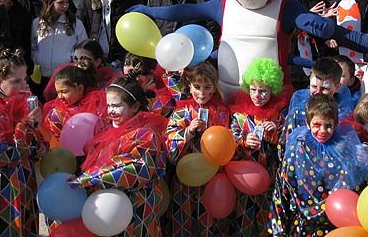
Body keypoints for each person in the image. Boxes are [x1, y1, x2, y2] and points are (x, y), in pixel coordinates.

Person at [68, 76, 168, 237]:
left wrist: (90, 178)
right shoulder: (106, 131)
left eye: (116, 106)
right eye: (108, 105)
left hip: (138, 206)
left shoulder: (146, 134)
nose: (110, 111)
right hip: (110, 209)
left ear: (135, 106)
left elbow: (138, 169)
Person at [269, 94, 368, 236]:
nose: (322, 131)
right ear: (307, 122)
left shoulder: (345, 147)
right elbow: (283, 187)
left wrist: (362, 162)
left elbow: (358, 183)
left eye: (328, 126)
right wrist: (278, 228)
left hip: (337, 225)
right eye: (317, 125)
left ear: (336, 124)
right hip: (305, 227)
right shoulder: (297, 148)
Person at [0, 48, 43, 236]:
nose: (24, 86)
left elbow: (29, 143)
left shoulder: (18, 100)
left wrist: (39, 144)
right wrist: (27, 127)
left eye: (25, 79)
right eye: (16, 81)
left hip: (23, 183)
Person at [165, 61, 230, 236]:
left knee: (209, 217)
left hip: (212, 176)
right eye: (197, 86)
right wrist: (188, 131)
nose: (202, 93)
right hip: (185, 174)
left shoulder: (223, 112)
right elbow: (169, 140)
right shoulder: (181, 110)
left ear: (214, 88)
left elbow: (228, 142)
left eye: (207, 87)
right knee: (182, 216)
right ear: (190, 86)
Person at [229, 58, 288, 236]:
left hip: (269, 177)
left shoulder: (278, 116)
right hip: (243, 177)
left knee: (266, 218)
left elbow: (286, 143)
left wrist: (276, 135)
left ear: (273, 90)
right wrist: (244, 141)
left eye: (263, 91)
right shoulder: (239, 115)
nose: (257, 95)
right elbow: (229, 138)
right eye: (253, 90)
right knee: (242, 218)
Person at [280, 57, 355, 146]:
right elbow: (288, 133)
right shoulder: (298, 98)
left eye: (325, 88)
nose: (318, 92)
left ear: (337, 87)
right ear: (309, 79)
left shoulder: (343, 107)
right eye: (314, 86)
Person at [78, 0, 139, 66]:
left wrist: (123, 57)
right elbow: (80, 30)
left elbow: (135, 30)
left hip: (120, 60)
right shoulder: (86, 3)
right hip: (93, 60)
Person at [31, 0, 88, 92]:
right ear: (51, 2)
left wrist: (72, 60)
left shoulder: (75, 23)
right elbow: (33, 45)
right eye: (60, 2)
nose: (65, 6)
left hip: (65, 76)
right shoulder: (37, 23)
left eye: (67, 2)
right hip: (43, 75)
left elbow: (82, 46)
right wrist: (38, 58)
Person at [40, 64, 106, 145]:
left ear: (80, 89)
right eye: (58, 92)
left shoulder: (98, 102)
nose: (60, 97)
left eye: (64, 92)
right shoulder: (57, 113)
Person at [42, 39, 121, 101]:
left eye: (84, 58)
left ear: (98, 61)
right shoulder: (65, 72)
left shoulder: (109, 76)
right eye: (76, 59)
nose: (78, 63)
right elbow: (49, 95)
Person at [123, 52, 175, 117]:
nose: (130, 80)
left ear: (150, 73)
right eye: (126, 76)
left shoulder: (169, 81)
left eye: (133, 75)